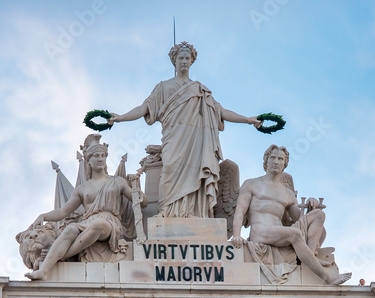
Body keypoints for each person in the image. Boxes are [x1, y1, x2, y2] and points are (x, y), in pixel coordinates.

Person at [106, 42, 261, 218]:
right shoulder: (163, 87)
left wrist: (248, 120)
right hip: (174, 137)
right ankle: (165, 211)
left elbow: (221, 112)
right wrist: (120, 117)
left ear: (192, 61)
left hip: (197, 140)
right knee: (170, 167)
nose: (184, 61)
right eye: (181, 58)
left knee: (196, 170)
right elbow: (144, 108)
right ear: (174, 60)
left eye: (188, 58)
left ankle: (197, 214)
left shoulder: (200, 90)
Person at [230, 145, 350, 285]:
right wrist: (236, 235)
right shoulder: (251, 184)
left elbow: (300, 219)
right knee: (295, 234)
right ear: (266, 161)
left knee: (318, 215)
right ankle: (327, 277)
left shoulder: (287, 193)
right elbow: (240, 212)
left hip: (280, 234)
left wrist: (312, 206)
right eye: (272, 157)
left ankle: (309, 258)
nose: (276, 161)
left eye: (280, 159)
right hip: (260, 232)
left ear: (284, 164)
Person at [21, 140, 134, 281]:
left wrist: (136, 191)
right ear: (88, 161)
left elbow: (141, 202)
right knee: (70, 229)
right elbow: (62, 212)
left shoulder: (118, 181)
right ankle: (43, 271)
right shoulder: (82, 189)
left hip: (109, 223)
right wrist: (43, 216)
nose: (100, 159)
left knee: (98, 225)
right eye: (96, 156)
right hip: (88, 221)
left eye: (103, 156)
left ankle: (60, 255)